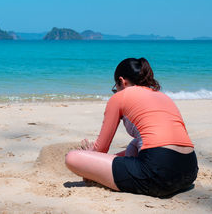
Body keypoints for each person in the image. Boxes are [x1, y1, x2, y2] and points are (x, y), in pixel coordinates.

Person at [65, 58, 198, 197]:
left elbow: (101, 149)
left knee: (72, 158)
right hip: (189, 171)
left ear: (122, 81)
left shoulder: (119, 97)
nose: (116, 91)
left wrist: (89, 154)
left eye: (115, 87)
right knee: (135, 144)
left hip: (159, 175)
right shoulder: (162, 96)